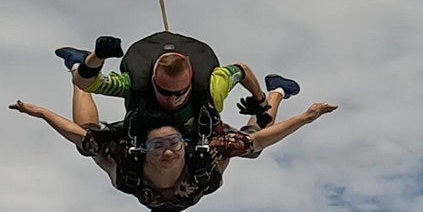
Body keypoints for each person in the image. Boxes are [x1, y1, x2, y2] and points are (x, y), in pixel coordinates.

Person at [9, 86, 337, 212]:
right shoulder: (202, 162)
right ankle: (277, 90)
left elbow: (78, 136)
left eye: (170, 145)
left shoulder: (128, 168)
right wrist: (306, 118)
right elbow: (262, 140)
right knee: (248, 145)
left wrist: (41, 113)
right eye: (160, 147)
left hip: (131, 161)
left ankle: (79, 76)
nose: (167, 153)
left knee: (93, 143)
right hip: (206, 155)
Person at [55, 32, 300, 134]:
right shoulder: (134, 83)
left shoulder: (213, 86)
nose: (173, 99)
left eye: (180, 93)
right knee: (88, 140)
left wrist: (259, 101)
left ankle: (277, 90)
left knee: (252, 144)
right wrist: (96, 58)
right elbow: (87, 83)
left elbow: (242, 70)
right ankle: (78, 60)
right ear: (153, 80)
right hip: (147, 132)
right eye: (165, 92)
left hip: (198, 129)